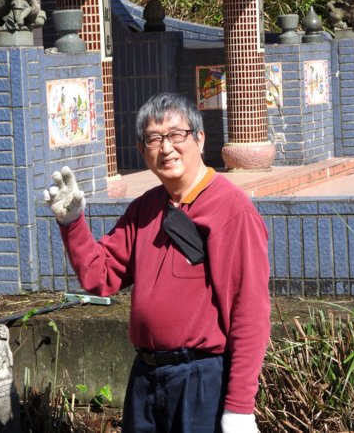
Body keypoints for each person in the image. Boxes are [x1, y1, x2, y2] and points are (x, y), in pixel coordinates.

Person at [44, 92, 270, 433]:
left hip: (202, 378)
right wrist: (72, 223)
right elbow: (99, 276)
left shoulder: (232, 210)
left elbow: (249, 312)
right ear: (142, 150)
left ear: (199, 138)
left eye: (176, 134)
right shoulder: (145, 208)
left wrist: (239, 408)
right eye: (154, 139)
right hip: (146, 377)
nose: (166, 148)